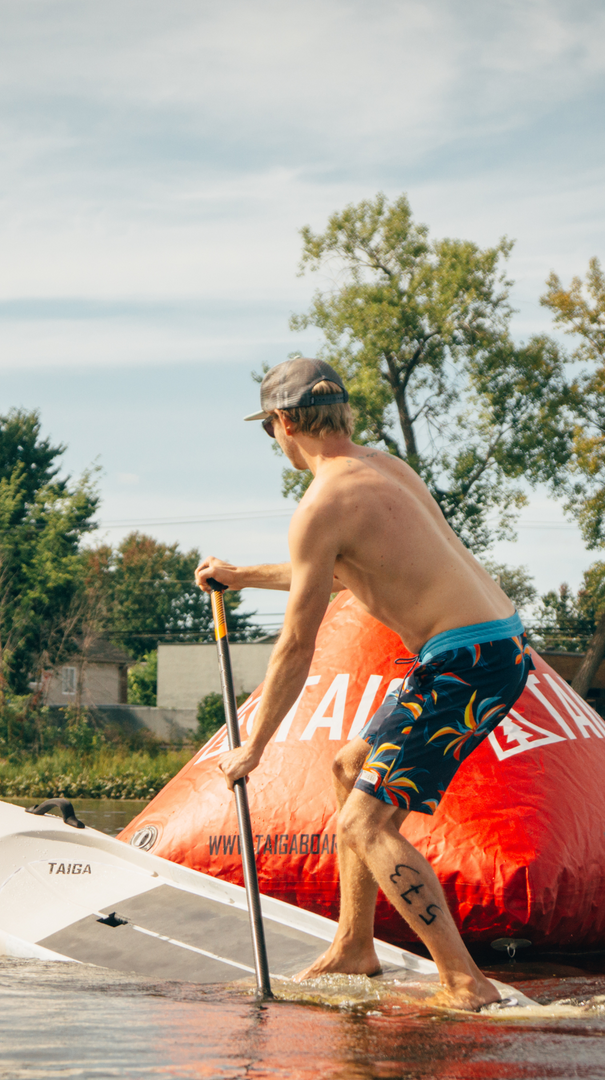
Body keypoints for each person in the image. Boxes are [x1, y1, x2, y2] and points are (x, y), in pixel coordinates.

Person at [194, 356, 532, 1011]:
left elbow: (296, 643)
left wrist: (254, 747)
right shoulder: (385, 467)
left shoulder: (320, 503)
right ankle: (355, 945)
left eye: (270, 431)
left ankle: (466, 983)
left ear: (286, 422)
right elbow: (338, 571)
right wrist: (240, 577)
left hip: (467, 661)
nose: (276, 444)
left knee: (365, 824)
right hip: (490, 648)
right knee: (352, 766)